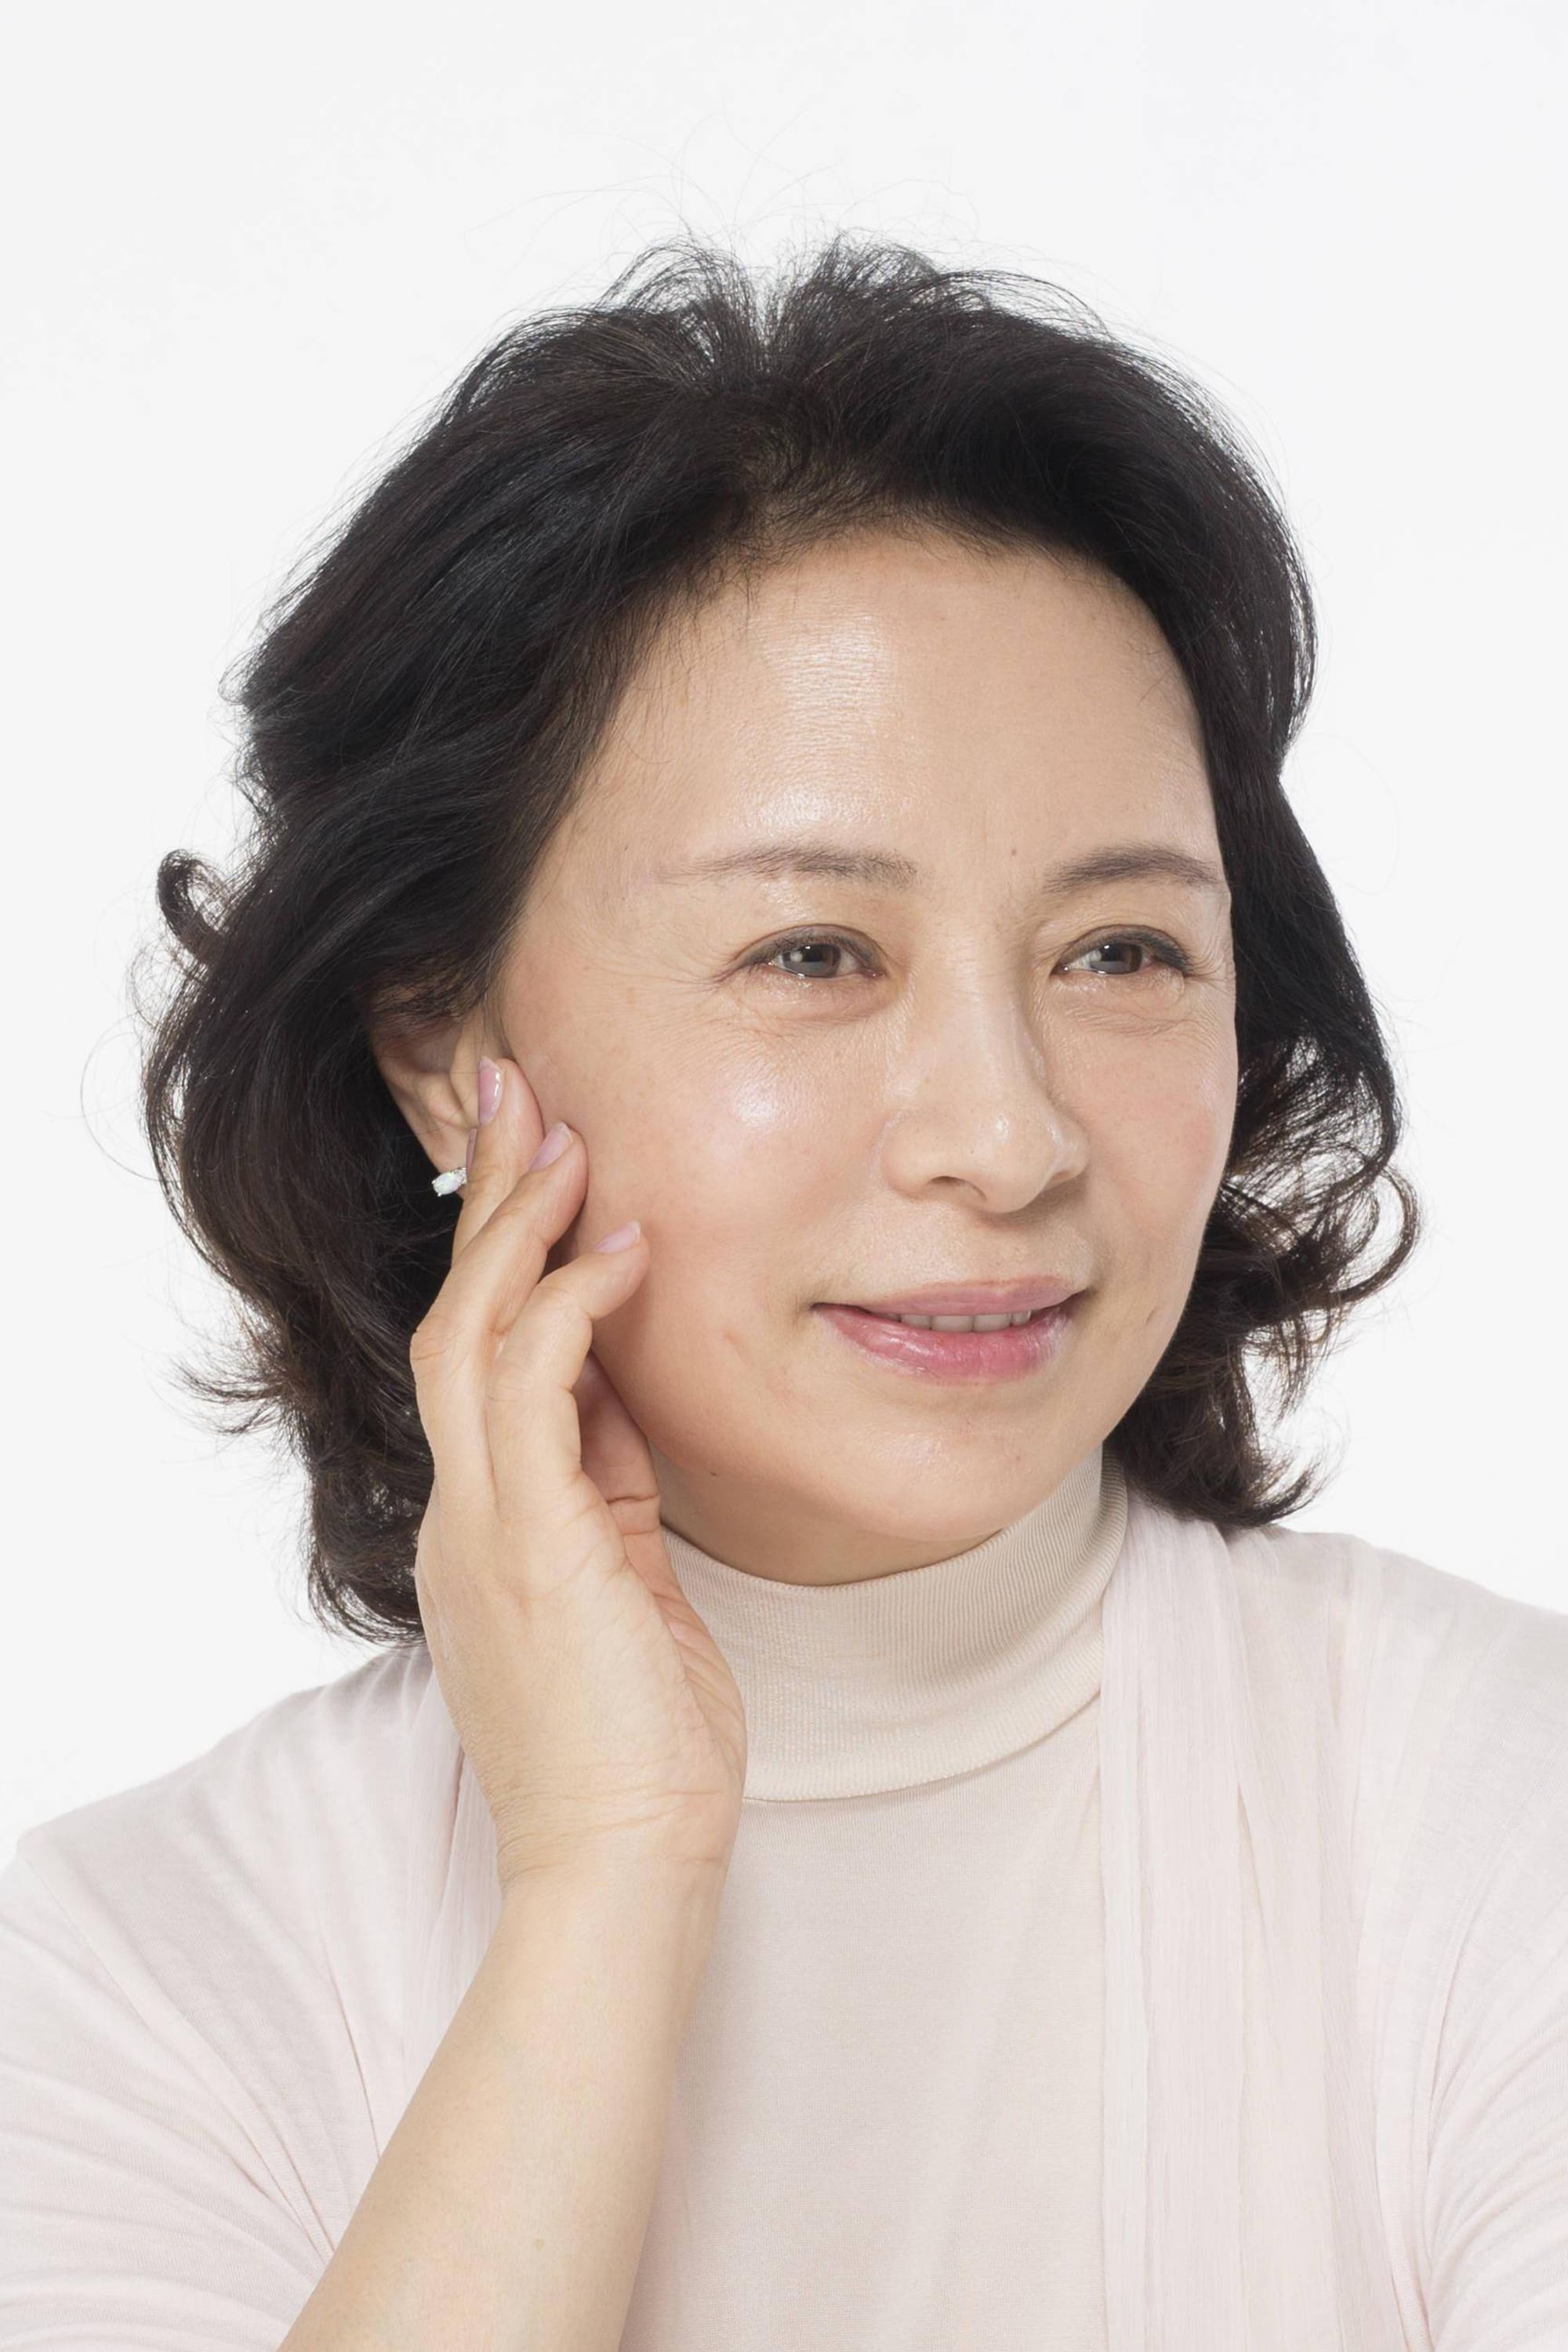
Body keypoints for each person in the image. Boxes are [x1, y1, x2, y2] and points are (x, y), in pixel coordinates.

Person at [1, 234, 1563, 2352]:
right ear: (443, 1044)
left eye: (1121, 952)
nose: (1005, 1135)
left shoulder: (1496, 1810)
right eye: (814, 954)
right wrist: (606, 1871)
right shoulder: (136, 1980)